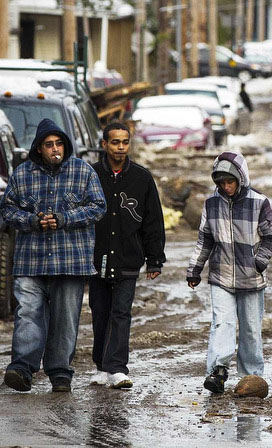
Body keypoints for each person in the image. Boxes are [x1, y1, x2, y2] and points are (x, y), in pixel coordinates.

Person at [0, 118, 105, 393]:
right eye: (49, 145)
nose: (55, 149)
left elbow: (98, 207)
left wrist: (64, 218)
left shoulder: (83, 172)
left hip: (70, 261)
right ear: (38, 149)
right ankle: (21, 368)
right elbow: (7, 210)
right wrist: (32, 220)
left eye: (59, 144)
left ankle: (60, 373)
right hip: (30, 259)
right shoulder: (22, 174)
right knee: (27, 313)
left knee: (65, 318)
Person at [187, 151, 272, 394]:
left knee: (250, 328)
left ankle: (251, 378)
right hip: (221, 276)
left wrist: (259, 262)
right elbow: (205, 240)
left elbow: (271, 236)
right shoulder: (211, 204)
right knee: (223, 323)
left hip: (252, 278)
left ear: (241, 178)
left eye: (231, 181)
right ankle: (217, 372)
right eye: (221, 182)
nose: (226, 187)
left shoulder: (259, 202)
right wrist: (195, 269)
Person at [89, 121, 166, 390]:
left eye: (125, 142)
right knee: (99, 312)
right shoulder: (91, 175)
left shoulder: (142, 178)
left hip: (128, 256)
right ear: (104, 144)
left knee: (121, 312)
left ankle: (118, 368)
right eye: (115, 142)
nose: (120, 147)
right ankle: (101, 365)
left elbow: (153, 221)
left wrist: (155, 258)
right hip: (96, 258)